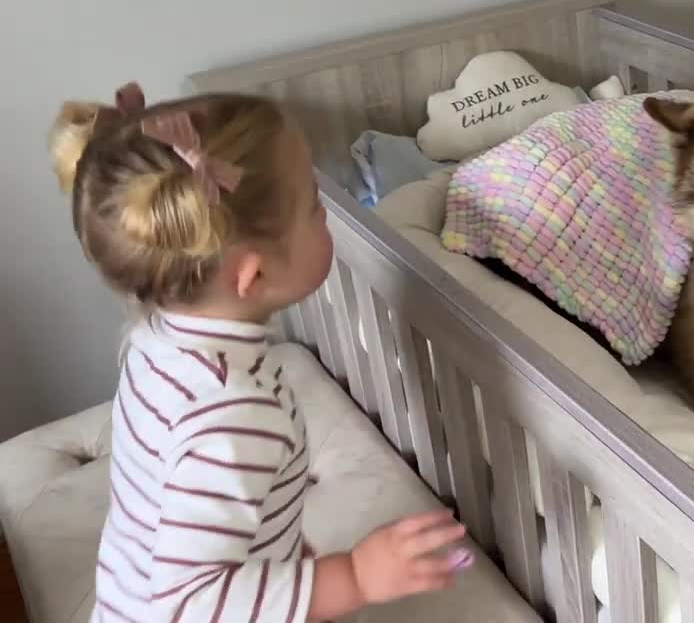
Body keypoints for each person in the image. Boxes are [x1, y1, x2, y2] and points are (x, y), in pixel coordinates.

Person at [49, 82, 474, 622]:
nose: (326, 216)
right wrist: (356, 577)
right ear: (254, 274)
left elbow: (186, 506)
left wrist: (276, 561)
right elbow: (188, 604)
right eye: (315, 206)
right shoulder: (233, 412)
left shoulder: (158, 338)